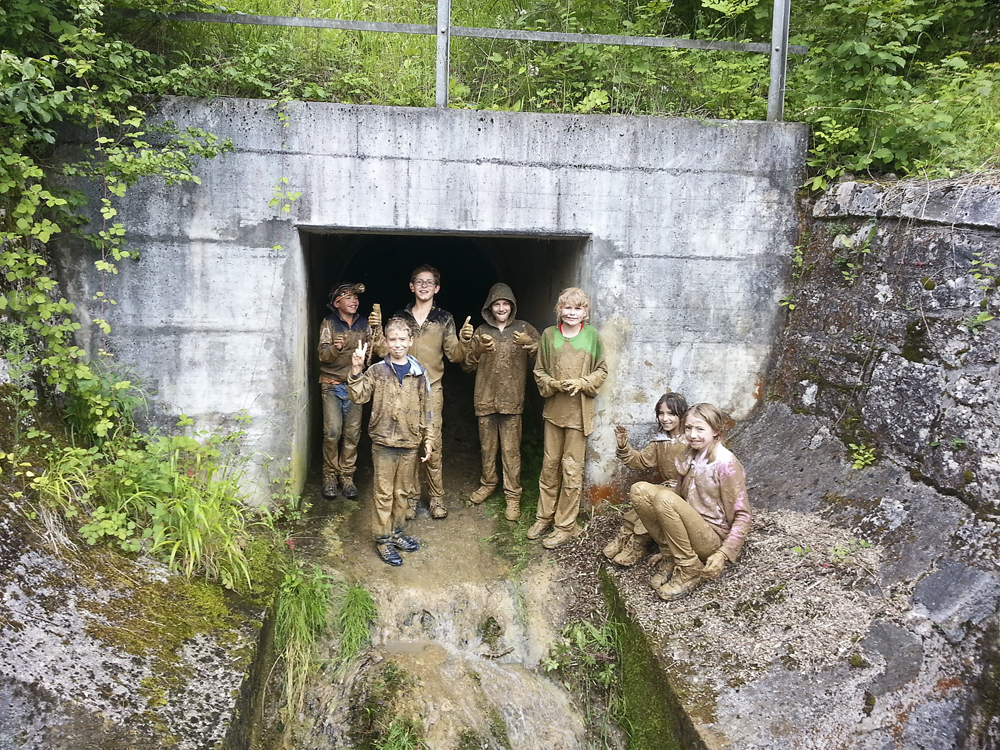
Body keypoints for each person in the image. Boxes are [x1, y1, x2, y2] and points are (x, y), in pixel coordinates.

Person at [370, 265, 471, 520]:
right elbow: (382, 352)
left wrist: (466, 340)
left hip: (432, 387)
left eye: (429, 282)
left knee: (432, 443)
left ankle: (437, 499)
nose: (424, 286)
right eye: (419, 281)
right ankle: (411, 499)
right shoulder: (400, 318)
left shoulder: (444, 318)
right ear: (411, 286)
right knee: (409, 443)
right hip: (402, 389)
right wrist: (376, 329)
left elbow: (456, 355)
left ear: (437, 288)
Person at [631, 403, 752, 601]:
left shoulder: (725, 464)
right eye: (688, 428)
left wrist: (723, 554)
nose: (692, 435)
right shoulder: (689, 455)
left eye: (700, 429)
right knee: (640, 491)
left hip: (711, 537)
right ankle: (671, 555)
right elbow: (680, 496)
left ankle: (689, 568)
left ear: (716, 431)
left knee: (665, 497)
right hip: (688, 528)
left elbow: (743, 515)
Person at [347, 318, 433, 566]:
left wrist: (428, 438)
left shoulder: (419, 373)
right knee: (384, 494)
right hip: (383, 442)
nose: (397, 345)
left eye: (402, 340)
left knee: (402, 493)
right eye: (392, 340)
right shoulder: (376, 371)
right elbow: (359, 396)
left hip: (409, 441)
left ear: (410, 341)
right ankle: (382, 539)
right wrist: (356, 370)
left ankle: (396, 533)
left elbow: (427, 408)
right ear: (386, 342)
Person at [528, 287, 608, 550]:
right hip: (554, 413)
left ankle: (564, 525)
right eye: (567, 308)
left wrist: (582, 382)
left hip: (579, 415)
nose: (572, 313)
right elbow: (539, 371)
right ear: (559, 310)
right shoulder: (549, 336)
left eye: (578, 308)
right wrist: (553, 384)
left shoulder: (591, 336)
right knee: (549, 466)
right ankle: (544, 517)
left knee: (571, 469)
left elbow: (602, 370)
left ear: (585, 312)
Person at [463, 282, 540, 521]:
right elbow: (466, 365)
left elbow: (543, 359)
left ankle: (513, 495)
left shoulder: (525, 327)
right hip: (485, 399)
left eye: (505, 303)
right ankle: (488, 483)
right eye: (496, 304)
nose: (501, 308)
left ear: (512, 306)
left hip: (512, 400)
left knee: (511, 450)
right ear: (489, 307)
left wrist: (532, 344)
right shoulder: (480, 331)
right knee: (487, 448)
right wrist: (477, 351)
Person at [608, 392, 689, 567]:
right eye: (661, 413)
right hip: (666, 488)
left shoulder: (691, 440)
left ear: (682, 415)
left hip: (685, 492)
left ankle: (638, 544)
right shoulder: (660, 441)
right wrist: (624, 447)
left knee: (651, 503)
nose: (665, 418)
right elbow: (640, 461)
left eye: (671, 413)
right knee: (642, 504)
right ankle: (625, 535)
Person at [317, 282, 381, 500]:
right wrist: (334, 349)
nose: (354, 301)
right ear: (337, 303)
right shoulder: (330, 323)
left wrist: (377, 328)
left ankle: (347, 477)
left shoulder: (365, 323)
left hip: (355, 384)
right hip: (332, 384)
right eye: (348, 297)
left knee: (352, 434)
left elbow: (376, 350)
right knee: (333, 433)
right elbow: (323, 355)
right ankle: (329, 477)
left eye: (356, 298)